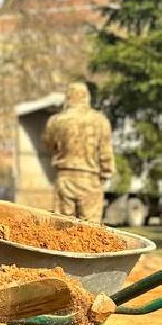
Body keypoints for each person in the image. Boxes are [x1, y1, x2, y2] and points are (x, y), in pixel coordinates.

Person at [43, 81, 114, 222]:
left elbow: (49, 146)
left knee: (61, 228)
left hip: (64, 179)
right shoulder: (100, 121)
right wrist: (105, 174)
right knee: (91, 232)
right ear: (87, 97)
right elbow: (106, 154)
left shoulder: (56, 121)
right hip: (91, 179)